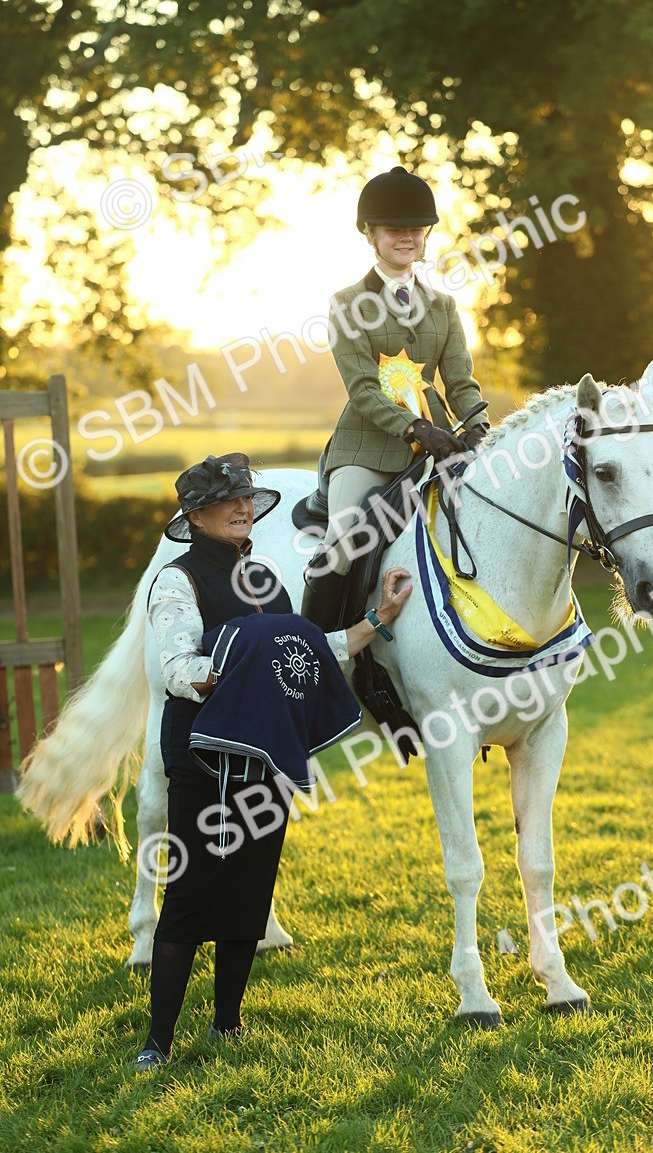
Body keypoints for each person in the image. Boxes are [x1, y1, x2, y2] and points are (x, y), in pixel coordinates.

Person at [133, 452, 411, 1071]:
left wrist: (377, 620)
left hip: (269, 755)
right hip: (202, 756)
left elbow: (308, 650)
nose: (241, 508)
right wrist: (251, 669)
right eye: (226, 501)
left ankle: (226, 1025)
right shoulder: (176, 581)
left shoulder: (262, 577)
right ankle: (157, 1042)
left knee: (247, 893)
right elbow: (182, 673)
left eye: (245, 499)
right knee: (187, 895)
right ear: (195, 516)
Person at [302, 165, 489, 631]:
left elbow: (460, 381)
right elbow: (362, 389)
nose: (405, 237)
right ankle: (313, 652)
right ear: (370, 234)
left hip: (440, 445)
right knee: (342, 542)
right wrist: (415, 428)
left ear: (425, 236)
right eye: (393, 229)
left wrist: (479, 424)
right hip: (369, 448)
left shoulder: (443, 305)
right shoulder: (347, 303)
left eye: (415, 229)